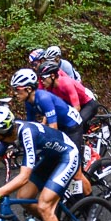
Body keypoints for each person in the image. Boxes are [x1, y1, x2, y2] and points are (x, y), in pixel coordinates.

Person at [10, 68, 92, 200]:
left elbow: (53, 128)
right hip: (61, 125)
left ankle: (92, 205)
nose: (15, 93)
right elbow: (31, 126)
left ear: (29, 89)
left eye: (17, 89)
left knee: (76, 172)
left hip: (72, 126)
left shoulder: (43, 98)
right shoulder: (28, 102)